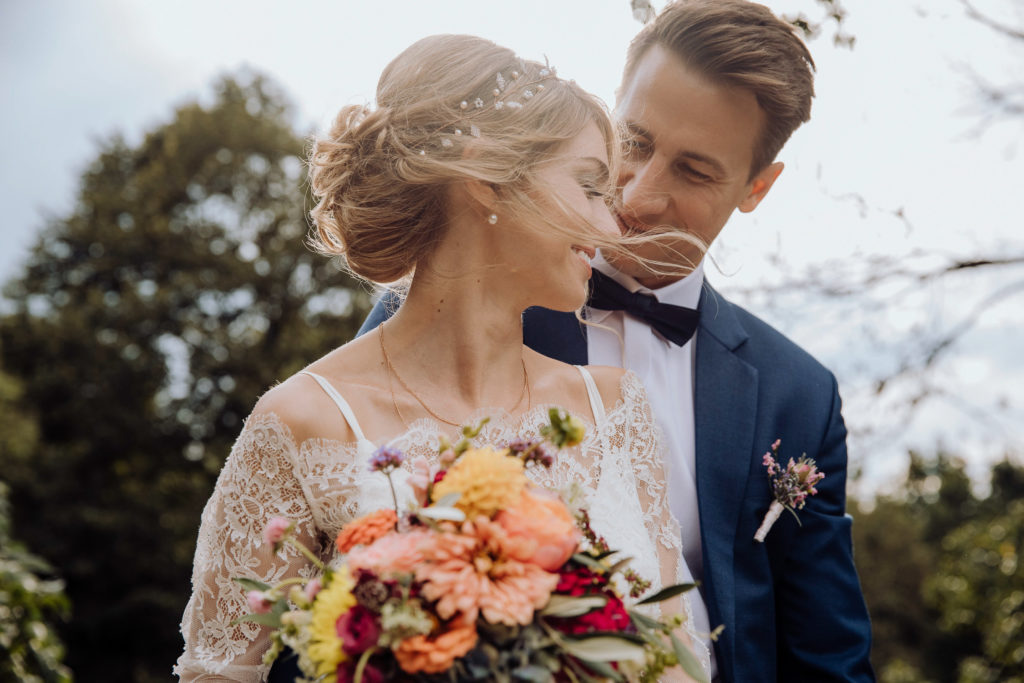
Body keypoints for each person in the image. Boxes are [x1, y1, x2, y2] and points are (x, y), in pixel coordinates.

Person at [362, 2, 875, 681]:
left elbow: (827, 657)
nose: (637, 194)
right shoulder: (448, 298)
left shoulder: (798, 395)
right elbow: (336, 560)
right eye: (633, 141)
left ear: (757, 186)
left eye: (693, 171)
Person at [175, 34, 709, 682]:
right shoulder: (301, 423)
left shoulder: (615, 406)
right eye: (590, 185)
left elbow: (673, 657)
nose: (611, 223)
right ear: (486, 178)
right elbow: (216, 671)